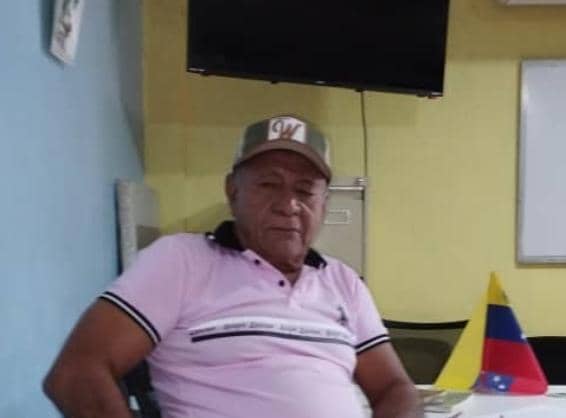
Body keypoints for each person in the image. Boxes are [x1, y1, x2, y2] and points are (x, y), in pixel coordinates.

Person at [44, 115, 422, 418]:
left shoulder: (342, 281)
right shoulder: (181, 260)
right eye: (268, 185)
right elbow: (76, 373)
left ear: (324, 204)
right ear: (232, 191)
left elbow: (396, 388)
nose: (288, 205)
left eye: (305, 191)